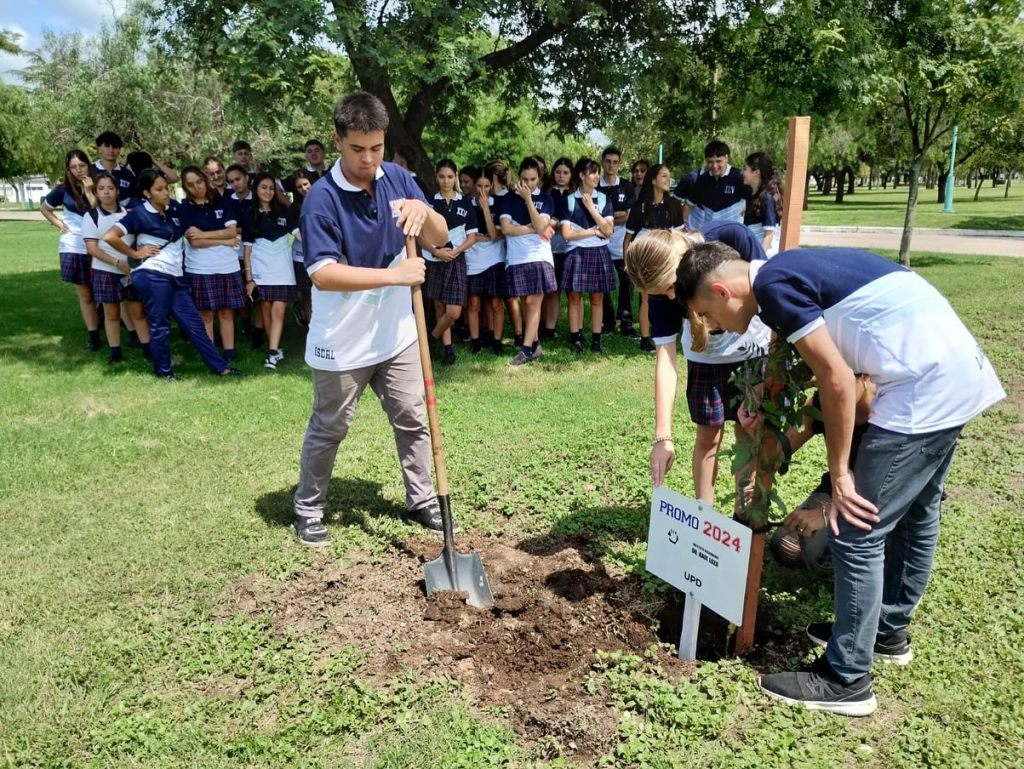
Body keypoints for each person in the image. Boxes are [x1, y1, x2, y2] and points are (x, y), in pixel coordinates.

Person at [675, 244, 1005, 716]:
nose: (717, 328)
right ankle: (885, 631)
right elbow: (838, 359)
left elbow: (837, 379)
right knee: (917, 512)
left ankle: (847, 678)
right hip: (952, 371)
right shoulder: (790, 268)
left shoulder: (771, 288)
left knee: (855, 531)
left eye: (709, 314)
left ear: (723, 290)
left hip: (920, 390)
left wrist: (840, 476)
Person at [293, 90, 449, 547]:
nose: (368, 159)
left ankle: (421, 498)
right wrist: (392, 275)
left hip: (397, 333)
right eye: (358, 149)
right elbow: (322, 274)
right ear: (337, 141)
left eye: (376, 148)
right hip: (342, 342)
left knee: (411, 416)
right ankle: (309, 507)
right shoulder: (321, 200)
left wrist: (426, 212)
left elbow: (439, 238)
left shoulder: (399, 179)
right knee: (331, 426)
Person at [623, 223, 770, 504]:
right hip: (706, 358)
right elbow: (665, 359)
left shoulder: (730, 237)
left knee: (749, 433)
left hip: (752, 351)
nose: (669, 297)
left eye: (670, 288)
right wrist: (662, 437)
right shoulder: (658, 286)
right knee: (708, 438)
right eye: (660, 293)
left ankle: (744, 512)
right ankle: (706, 517)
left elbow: (767, 289)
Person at [101, 169, 242, 380]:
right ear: (147, 193)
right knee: (160, 324)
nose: (165, 193)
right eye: (159, 189)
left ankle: (221, 368)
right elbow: (110, 236)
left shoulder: (175, 210)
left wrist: (224, 237)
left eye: (166, 188)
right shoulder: (139, 213)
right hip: (152, 274)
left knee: (194, 322)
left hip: (175, 275)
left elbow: (196, 232)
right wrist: (135, 253)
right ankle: (164, 372)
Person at [179, 165, 244, 361]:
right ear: (185, 187)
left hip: (227, 266)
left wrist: (206, 234)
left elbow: (232, 232)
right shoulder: (184, 208)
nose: (196, 187)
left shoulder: (223, 202)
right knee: (206, 314)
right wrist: (224, 241)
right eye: (190, 185)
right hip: (200, 268)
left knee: (226, 312)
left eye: (199, 182)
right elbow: (195, 242)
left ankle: (230, 352)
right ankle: (211, 354)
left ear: (205, 180)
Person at [499, 156, 557, 366]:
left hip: (540, 257)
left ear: (539, 179)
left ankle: (525, 351)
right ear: (519, 177)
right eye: (525, 179)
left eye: (533, 179)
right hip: (516, 258)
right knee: (526, 302)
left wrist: (529, 201)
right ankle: (535, 343)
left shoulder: (547, 200)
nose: (529, 184)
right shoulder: (507, 199)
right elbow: (506, 229)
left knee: (533, 302)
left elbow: (542, 227)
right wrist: (534, 228)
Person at [624, 163, 686, 353]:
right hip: (646, 261)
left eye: (669, 176)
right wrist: (629, 265)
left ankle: (675, 334)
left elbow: (680, 237)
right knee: (646, 298)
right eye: (664, 176)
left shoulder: (674, 206)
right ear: (653, 180)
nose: (668, 180)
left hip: (670, 261)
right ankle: (645, 337)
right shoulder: (639, 208)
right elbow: (628, 239)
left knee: (675, 297)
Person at [40, 149, 99, 350]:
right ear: (68, 169)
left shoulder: (100, 185)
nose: (78, 170)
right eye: (73, 167)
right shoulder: (62, 190)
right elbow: (44, 208)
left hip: (98, 246)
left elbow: (100, 212)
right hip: (73, 246)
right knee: (86, 294)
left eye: (81, 165)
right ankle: (93, 337)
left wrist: (90, 191)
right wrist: (58, 224)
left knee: (106, 290)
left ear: (88, 165)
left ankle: (123, 331)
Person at [557, 157, 616, 354]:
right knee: (574, 298)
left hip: (598, 252)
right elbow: (566, 234)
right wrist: (592, 232)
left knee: (597, 298)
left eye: (597, 172)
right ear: (582, 176)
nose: (597, 176)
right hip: (576, 253)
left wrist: (592, 208)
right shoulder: (568, 200)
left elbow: (608, 231)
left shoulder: (604, 199)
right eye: (592, 172)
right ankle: (576, 339)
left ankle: (596, 341)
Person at [421, 159, 477, 366]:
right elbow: (419, 234)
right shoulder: (429, 203)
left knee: (453, 311)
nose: (446, 181)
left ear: (456, 177)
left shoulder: (465, 203)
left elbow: (472, 237)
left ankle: (431, 338)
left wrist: (454, 252)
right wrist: (435, 251)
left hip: (456, 259)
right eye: (442, 176)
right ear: (436, 177)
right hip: (434, 259)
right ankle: (448, 350)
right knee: (439, 306)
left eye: (450, 177)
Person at [243, 173, 300, 370]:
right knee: (265, 308)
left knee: (279, 309)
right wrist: (249, 278)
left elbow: (298, 235)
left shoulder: (284, 212)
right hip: (260, 270)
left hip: (282, 270)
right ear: (256, 190)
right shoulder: (250, 215)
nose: (267, 191)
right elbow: (247, 249)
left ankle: (273, 351)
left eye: (271, 188)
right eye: (263, 187)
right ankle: (274, 348)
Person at [82, 172, 133, 363]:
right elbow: (92, 248)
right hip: (106, 271)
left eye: (110, 188)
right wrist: (118, 263)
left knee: (137, 310)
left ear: (117, 191)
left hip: (131, 270)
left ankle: (141, 342)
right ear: (95, 191)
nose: (106, 192)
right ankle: (116, 353)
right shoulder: (92, 216)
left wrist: (132, 262)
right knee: (112, 314)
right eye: (101, 189)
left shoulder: (128, 213)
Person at [466, 168, 507, 355]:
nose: (483, 190)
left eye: (487, 186)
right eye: (479, 186)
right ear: (474, 186)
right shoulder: (466, 204)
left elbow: (493, 234)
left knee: (495, 303)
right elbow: (469, 236)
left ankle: (497, 341)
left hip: (495, 259)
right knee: (474, 302)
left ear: (492, 186)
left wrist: (485, 209)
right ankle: (476, 340)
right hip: (473, 259)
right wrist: (481, 237)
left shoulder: (498, 204)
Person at [598, 146, 638, 336]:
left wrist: (607, 217)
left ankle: (626, 322)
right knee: (603, 283)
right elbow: (593, 216)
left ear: (619, 164)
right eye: (608, 161)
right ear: (602, 162)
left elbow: (630, 216)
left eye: (615, 162)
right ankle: (608, 321)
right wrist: (616, 215)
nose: (611, 165)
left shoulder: (627, 186)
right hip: (600, 241)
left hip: (622, 241)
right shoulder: (595, 185)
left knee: (626, 281)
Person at [486, 159, 523, 348]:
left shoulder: (505, 199)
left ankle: (519, 333)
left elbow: (498, 232)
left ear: (492, 178)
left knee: (510, 296)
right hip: (498, 253)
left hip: (507, 251)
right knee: (504, 297)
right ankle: (513, 333)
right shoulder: (501, 197)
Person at [674, 140, 750, 231]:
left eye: (718, 161)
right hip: (710, 234)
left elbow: (753, 199)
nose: (714, 166)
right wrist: (683, 226)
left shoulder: (739, 178)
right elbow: (688, 205)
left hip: (733, 234)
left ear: (726, 158)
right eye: (710, 162)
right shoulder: (701, 180)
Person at [545, 156, 574, 339]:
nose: (561, 176)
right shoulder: (547, 194)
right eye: (558, 172)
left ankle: (574, 330)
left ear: (571, 175)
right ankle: (549, 328)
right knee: (553, 290)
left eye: (565, 173)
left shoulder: (575, 195)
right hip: (551, 248)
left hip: (571, 247)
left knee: (572, 290)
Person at [288, 169, 317, 327]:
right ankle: (310, 324)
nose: (304, 189)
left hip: (323, 256)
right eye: (299, 187)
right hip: (302, 257)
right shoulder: (293, 209)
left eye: (306, 184)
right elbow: (299, 235)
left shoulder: (323, 201)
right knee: (308, 294)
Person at [742, 152, 783, 256]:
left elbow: (769, 235)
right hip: (754, 251)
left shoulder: (767, 198)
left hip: (765, 256)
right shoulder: (752, 195)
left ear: (756, 172)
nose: (742, 172)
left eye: (745, 169)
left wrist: (759, 258)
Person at [93, 131, 137, 204]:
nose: (111, 150)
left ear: (119, 150)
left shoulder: (128, 175)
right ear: (99, 149)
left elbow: (134, 198)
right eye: (107, 146)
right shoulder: (90, 171)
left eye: (115, 147)